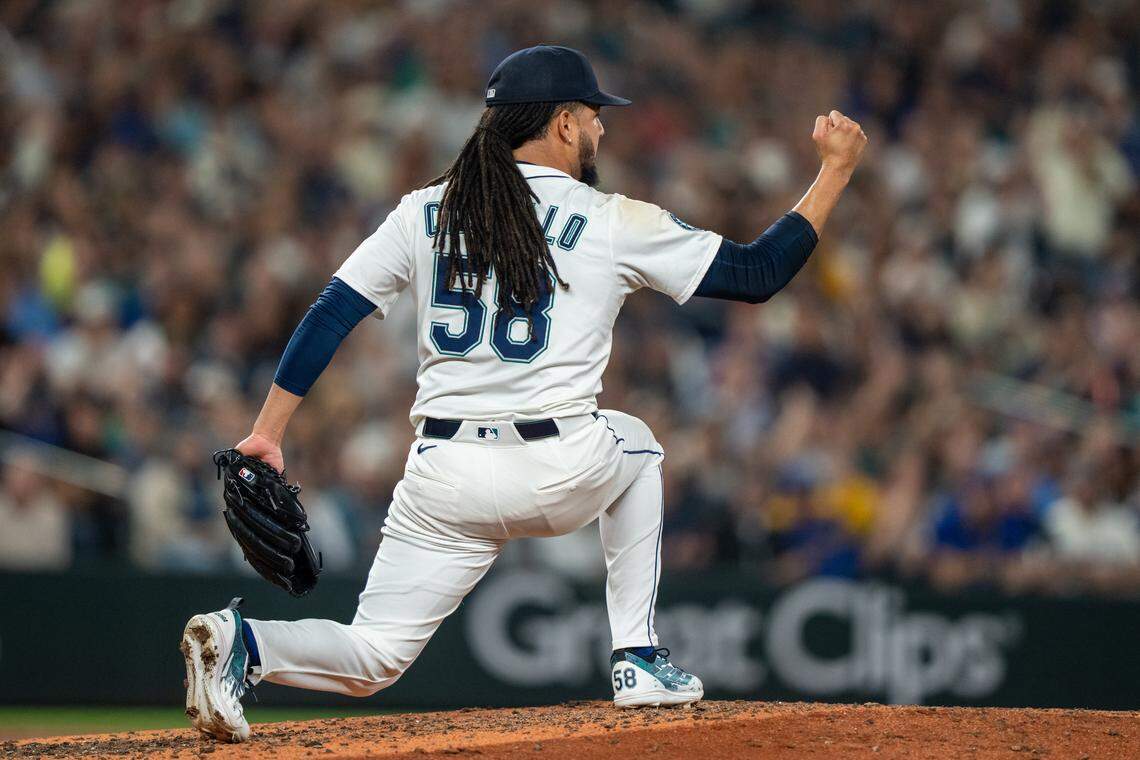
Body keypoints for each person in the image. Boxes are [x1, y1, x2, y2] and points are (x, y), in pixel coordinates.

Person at [179, 45, 866, 741]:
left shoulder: (424, 211)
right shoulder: (609, 219)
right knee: (640, 445)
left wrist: (268, 431)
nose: (602, 130)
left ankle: (246, 643)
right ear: (563, 124)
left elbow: (332, 311)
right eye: (594, 117)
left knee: (374, 654)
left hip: (440, 477)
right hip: (556, 465)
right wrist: (835, 170)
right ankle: (637, 656)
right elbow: (756, 274)